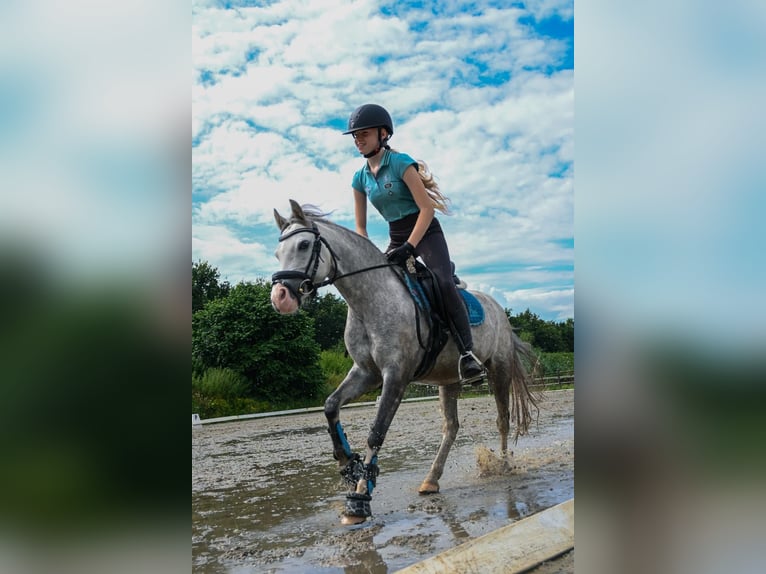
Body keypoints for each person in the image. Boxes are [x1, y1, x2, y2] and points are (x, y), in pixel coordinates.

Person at [343, 103, 486, 383]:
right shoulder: (359, 178)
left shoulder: (400, 163)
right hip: (396, 234)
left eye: (365, 134)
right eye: (355, 136)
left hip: (425, 230)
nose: (358, 140)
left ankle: (468, 355)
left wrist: (410, 246)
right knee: (381, 287)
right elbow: (361, 226)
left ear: (384, 134)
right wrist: (365, 253)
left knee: (443, 283)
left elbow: (427, 208)